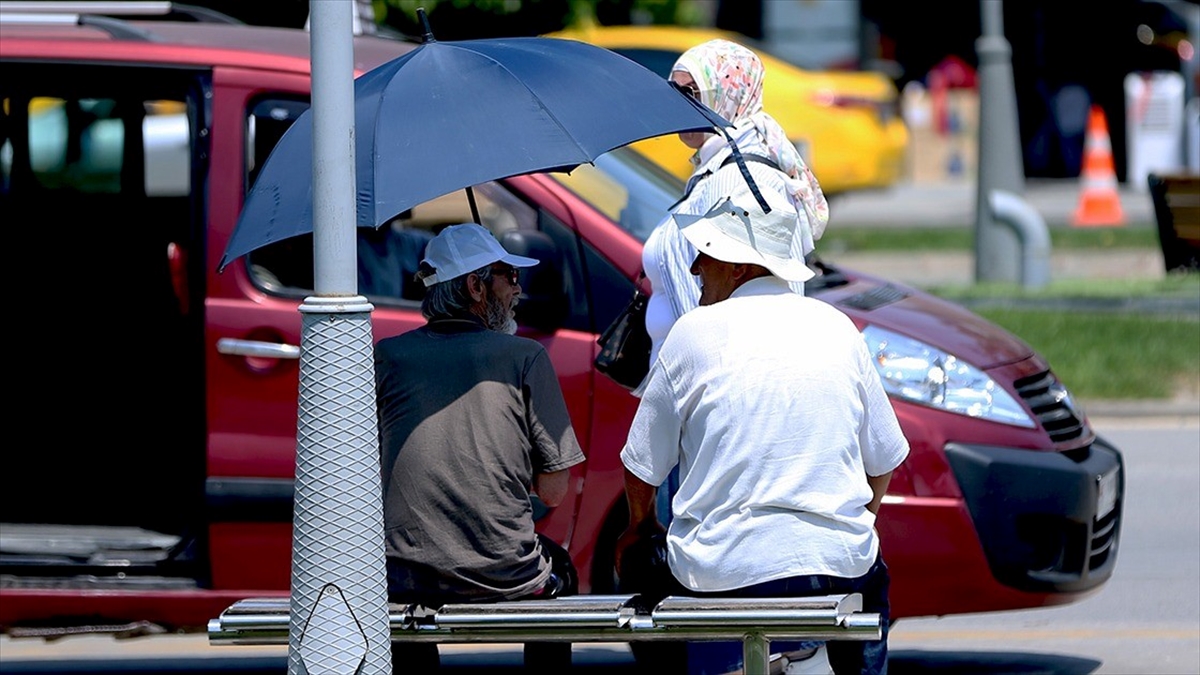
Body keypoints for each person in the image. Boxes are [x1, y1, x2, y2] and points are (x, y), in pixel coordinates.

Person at [615, 166, 910, 675]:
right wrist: (843, 525)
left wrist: (640, 528)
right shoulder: (838, 328)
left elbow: (641, 466)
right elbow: (883, 460)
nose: (694, 269)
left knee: (644, 568)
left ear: (738, 267)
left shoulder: (692, 334)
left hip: (718, 571)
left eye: (704, 254)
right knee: (870, 583)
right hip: (836, 568)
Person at [375, 223, 588, 671]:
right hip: (505, 575)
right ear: (476, 286)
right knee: (561, 570)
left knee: (401, 609)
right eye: (509, 276)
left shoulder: (388, 356)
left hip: (404, 576)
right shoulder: (525, 356)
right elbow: (553, 492)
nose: (518, 289)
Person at [640, 37, 830, 377]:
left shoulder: (745, 179)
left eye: (690, 92)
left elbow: (773, 301)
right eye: (673, 91)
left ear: (728, 95)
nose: (679, 104)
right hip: (691, 378)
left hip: (714, 381)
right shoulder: (713, 168)